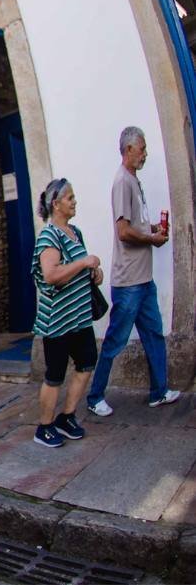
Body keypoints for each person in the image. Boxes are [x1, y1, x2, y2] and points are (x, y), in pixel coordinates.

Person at [85, 127, 180, 415]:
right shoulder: (122, 182)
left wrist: (151, 228)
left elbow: (134, 226)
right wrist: (151, 238)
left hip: (143, 279)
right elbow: (124, 232)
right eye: (142, 148)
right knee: (115, 340)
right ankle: (94, 397)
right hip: (129, 283)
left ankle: (159, 391)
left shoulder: (133, 181)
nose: (145, 153)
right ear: (128, 150)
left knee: (154, 334)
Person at [32, 179, 102, 447]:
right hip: (58, 320)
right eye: (70, 198)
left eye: (74, 196)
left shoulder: (75, 232)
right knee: (55, 374)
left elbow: (76, 270)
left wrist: (93, 273)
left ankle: (67, 416)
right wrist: (83, 262)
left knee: (86, 363)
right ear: (55, 203)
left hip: (79, 316)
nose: (74, 201)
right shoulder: (49, 236)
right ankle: (44, 427)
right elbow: (51, 275)